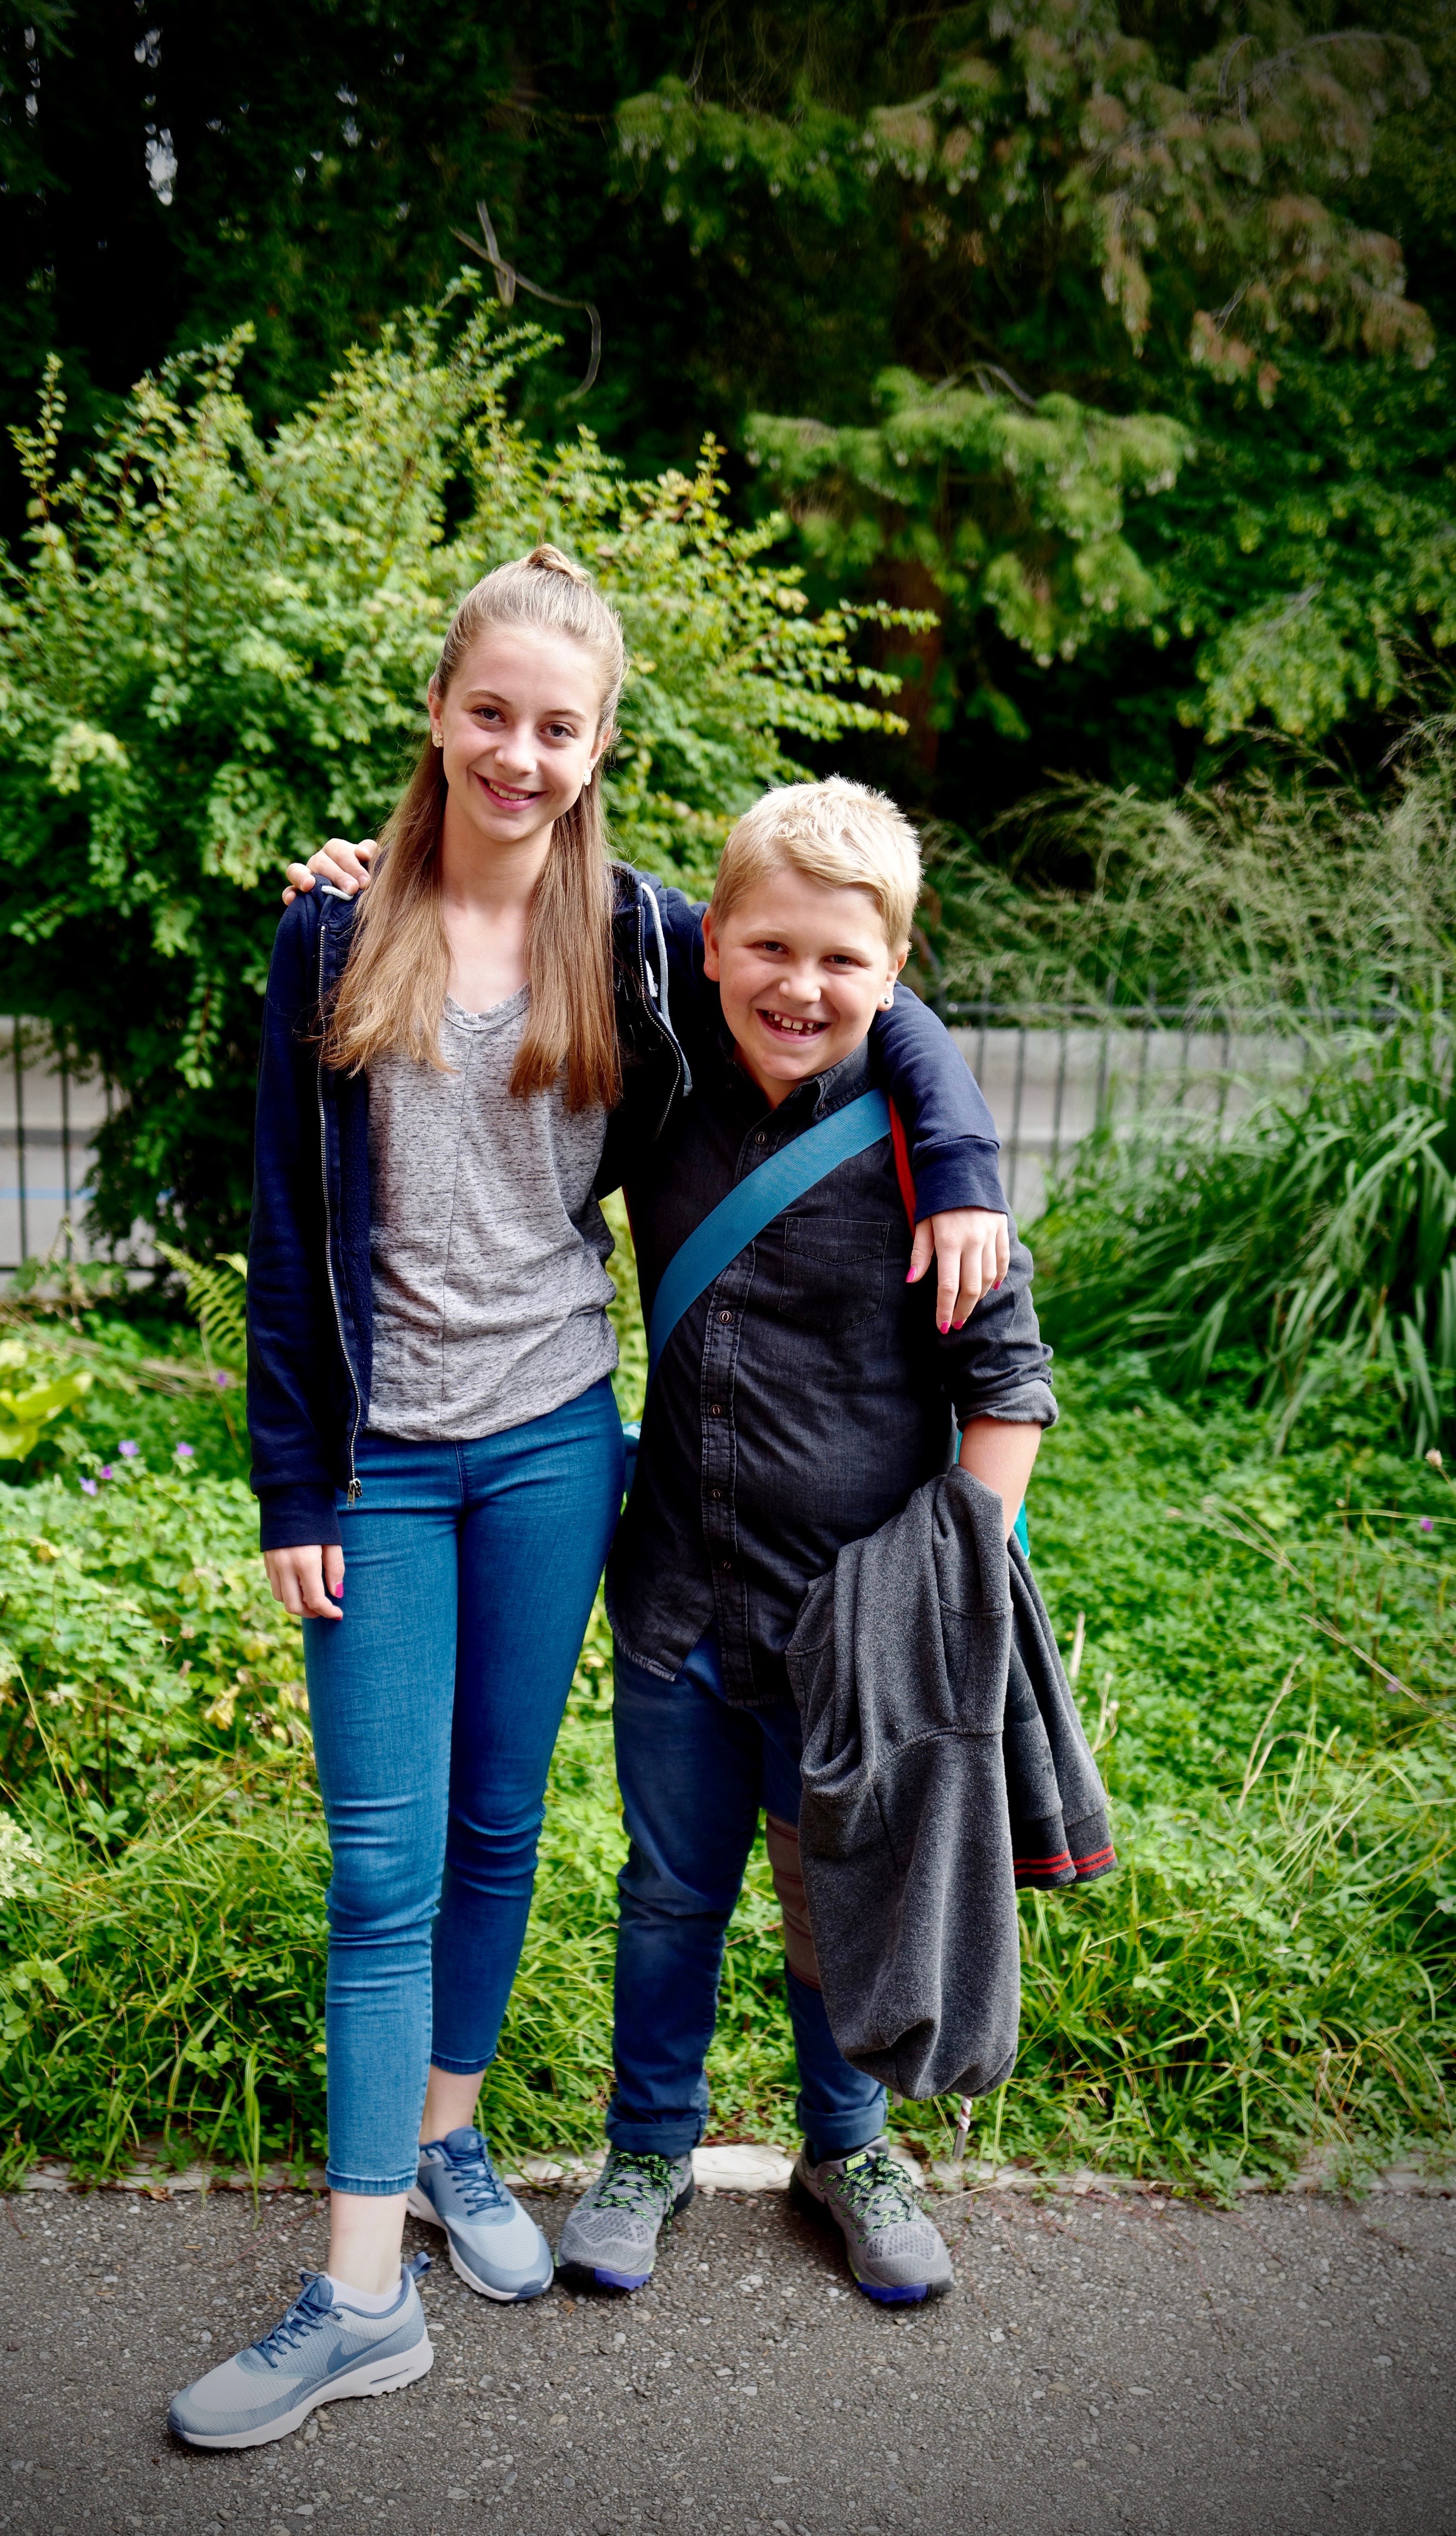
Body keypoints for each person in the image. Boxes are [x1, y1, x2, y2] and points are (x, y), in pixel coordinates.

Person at [169, 549, 1009, 2451]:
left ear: (600, 741)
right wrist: (290, 1476)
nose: (519, 755)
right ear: (438, 715)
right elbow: (288, 1230)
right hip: (381, 1466)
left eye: (558, 727)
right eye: (490, 715)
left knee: (496, 1830)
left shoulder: (635, 937)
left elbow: (863, 987)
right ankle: (358, 2295)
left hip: (556, 1442)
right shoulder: (333, 930)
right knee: (378, 1870)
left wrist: (957, 1162)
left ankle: (451, 2144)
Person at [553, 779, 1058, 2307]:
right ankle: (648, 2146)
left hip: (851, 1640)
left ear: (894, 970)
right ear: (711, 945)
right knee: (667, 1893)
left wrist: (937, 1597)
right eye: (768, 947)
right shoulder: (661, 1093)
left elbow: (1007, 1393)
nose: (801, 986)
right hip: (677, 1609)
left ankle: (848, 2149)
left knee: (842, 1895)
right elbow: (518, 900)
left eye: (843, 961)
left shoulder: (928, 1165)